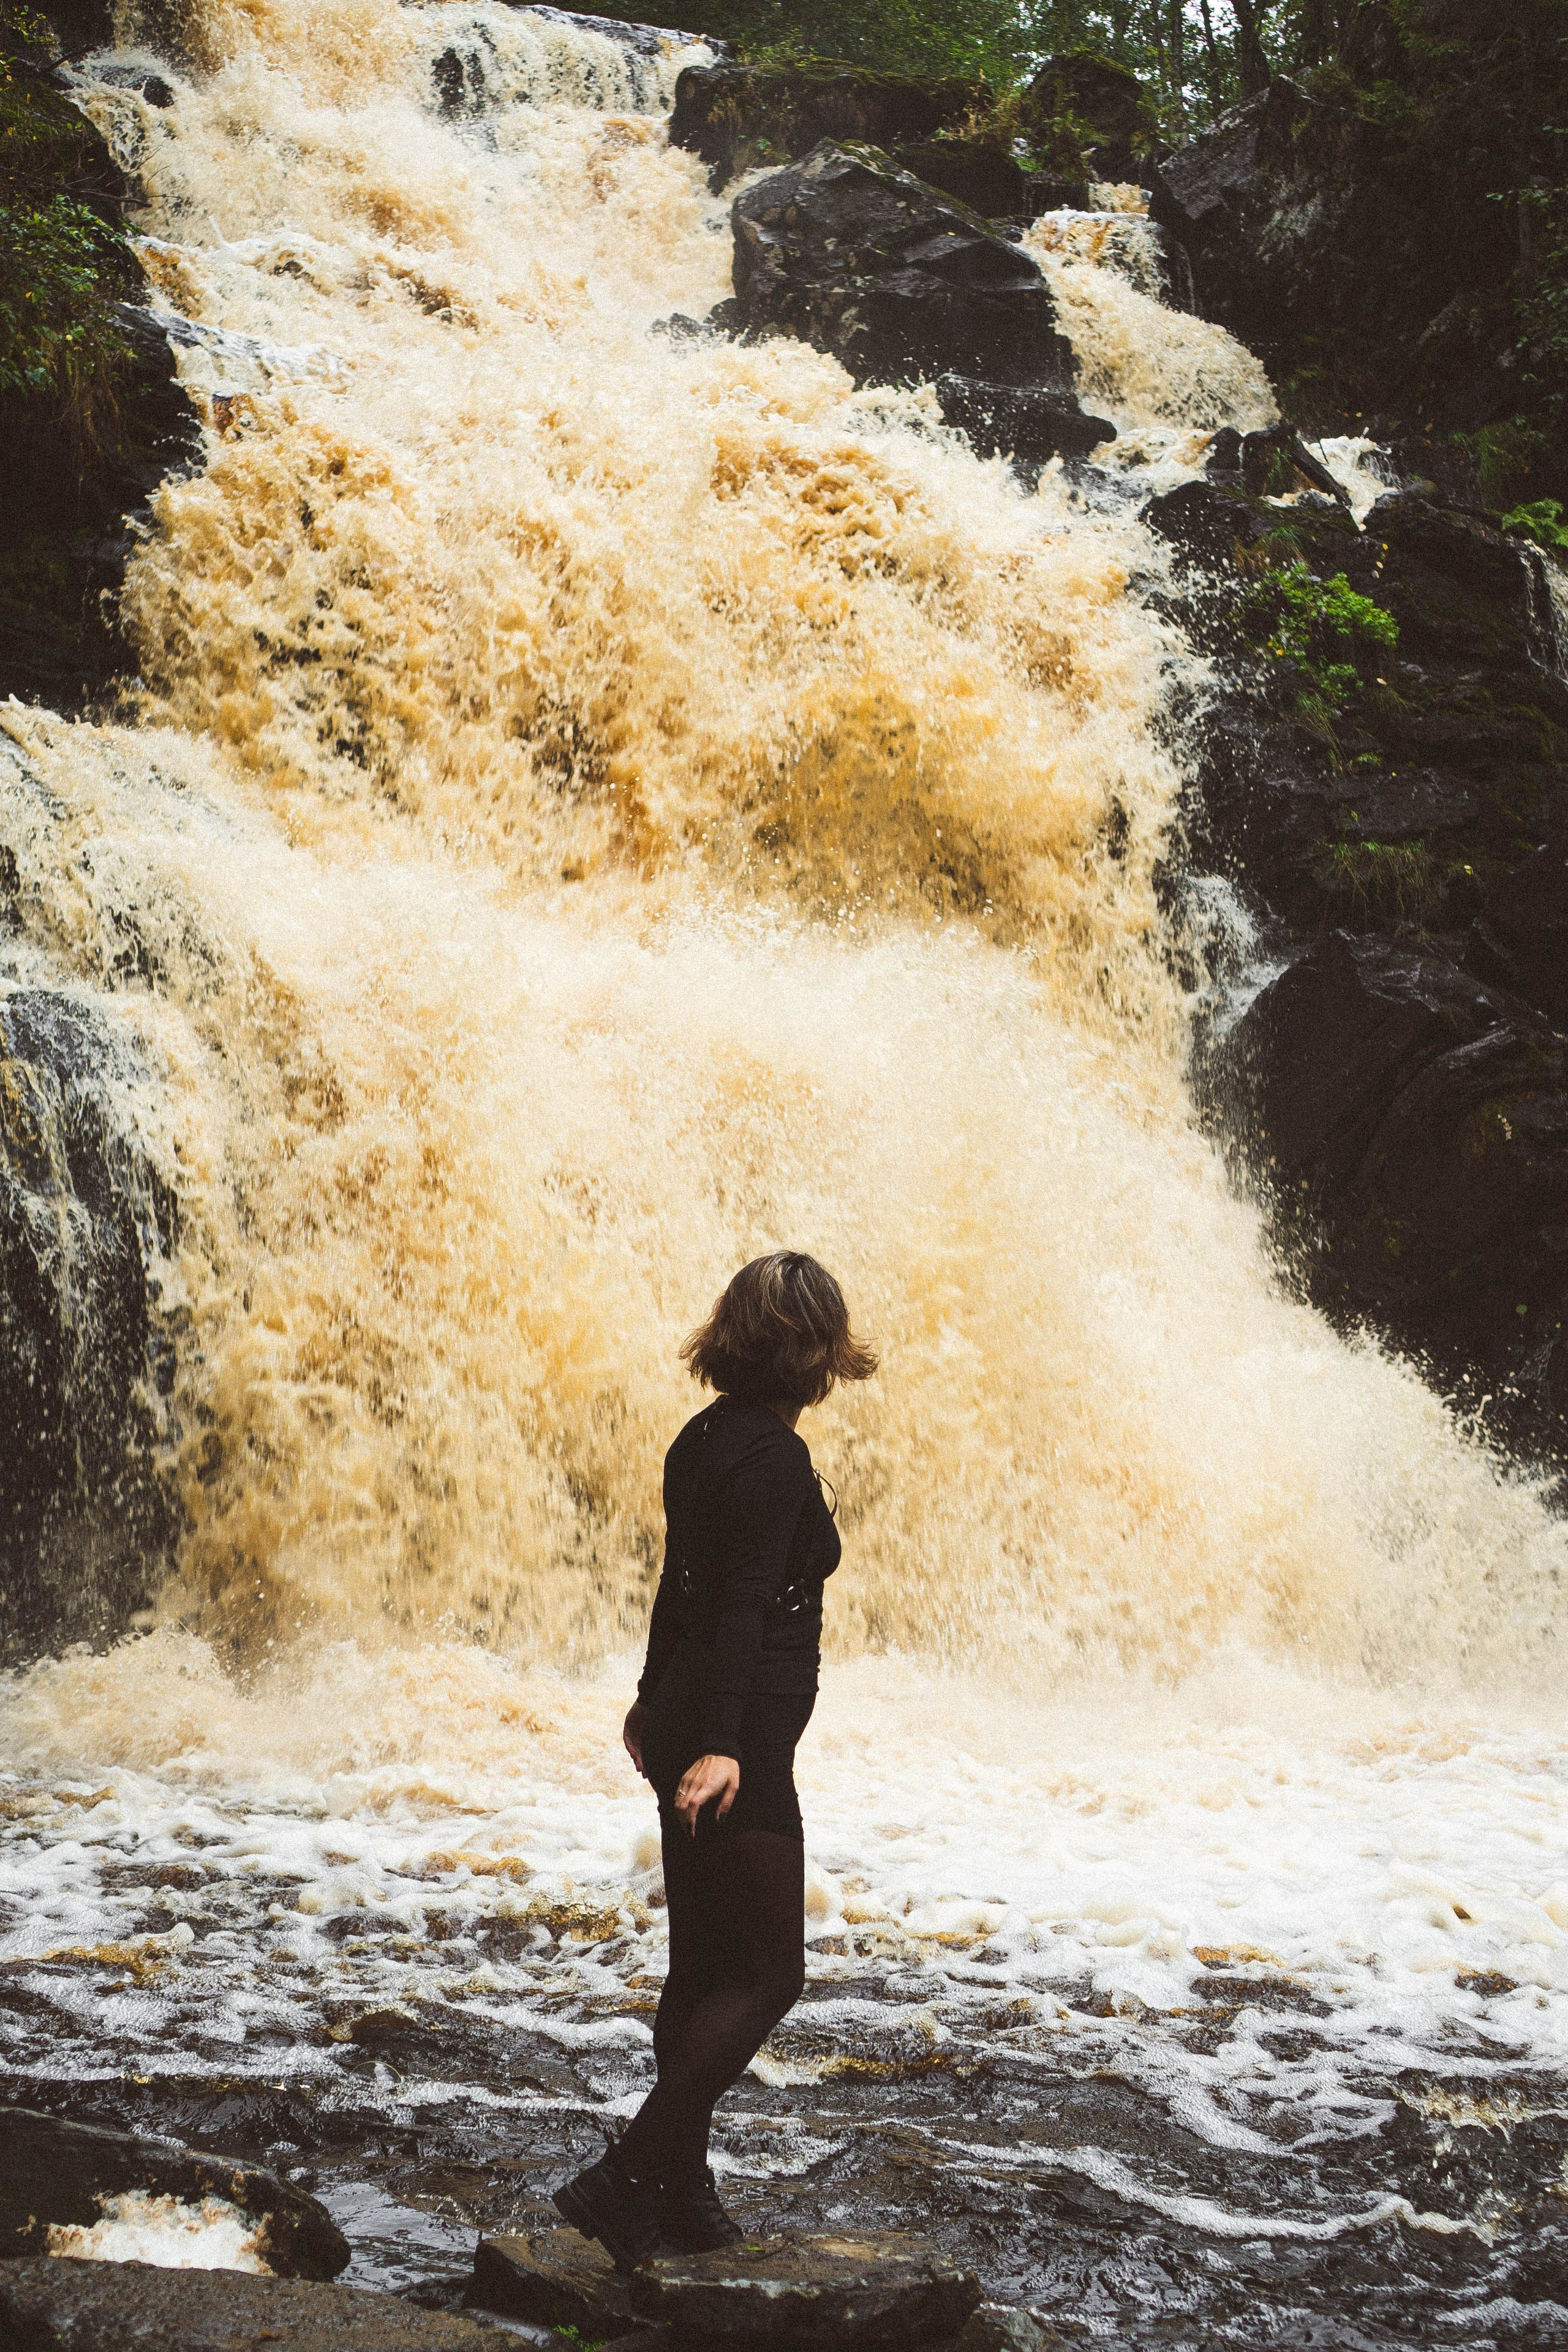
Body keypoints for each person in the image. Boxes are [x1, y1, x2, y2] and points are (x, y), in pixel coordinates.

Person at [552, 1251, 877, 2271]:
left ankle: (680, 2197)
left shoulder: (701, 1439)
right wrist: (727, 1746)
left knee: (700, 1970)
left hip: (690, 1711)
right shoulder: (776, 1461)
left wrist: (654, 1697)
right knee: (774, 1970)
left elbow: (677, 1585)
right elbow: (736, 1604)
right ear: (813, 1349)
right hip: (739, 1736)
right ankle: (632, 2176)